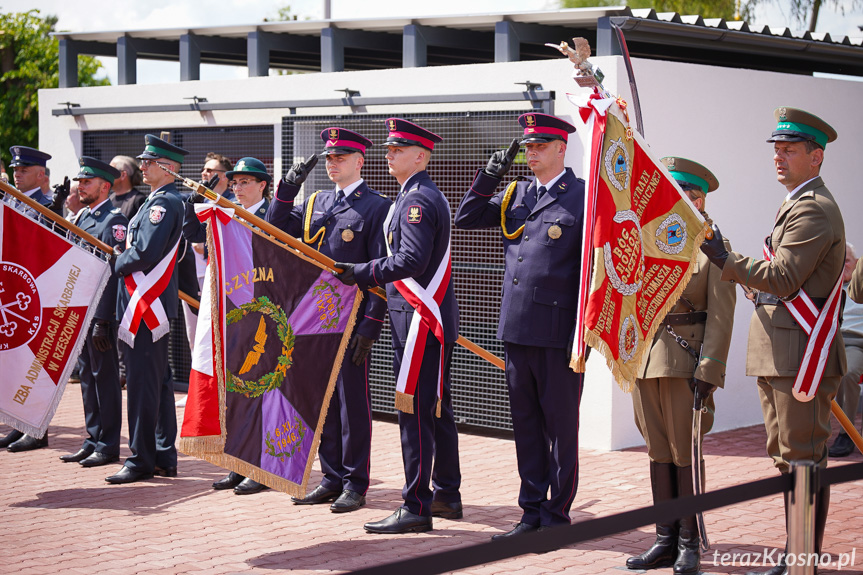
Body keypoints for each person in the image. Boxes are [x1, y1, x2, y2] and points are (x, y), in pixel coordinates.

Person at [701, 107, 844, 575]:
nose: (779, 158)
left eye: (790, 150)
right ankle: (795, 555)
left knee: (802, 458)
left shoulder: (815, 208)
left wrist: (725, 257)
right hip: (779, 350)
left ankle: (801, 560)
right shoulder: (796, 203)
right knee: (788, 458)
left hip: (798, 354)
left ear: (816, 157)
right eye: (777, 150)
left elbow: (783, 277)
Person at [454, 113, 584, 539]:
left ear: (561, 148)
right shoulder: (516, 192)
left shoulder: (582, 197)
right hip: (516, 329)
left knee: (561, 431)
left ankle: (557, 516)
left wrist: (579, 337)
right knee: (526, 427)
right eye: (527, 147)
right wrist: (491, 174)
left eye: (540, 146)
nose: (531, 153)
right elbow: (467, 217)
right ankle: (530, 513)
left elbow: (591, 273)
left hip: (558, 335)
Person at [335, 118, 461, 533]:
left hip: (419, 322)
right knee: (436, 410)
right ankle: (446, 494)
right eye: (388, 149)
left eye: (397, 150)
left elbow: (410, 262)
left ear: (420, 156)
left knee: (416, 413)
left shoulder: (416, 201)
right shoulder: (413, 195)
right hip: (420, 319)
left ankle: (416, 506)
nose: (388, 155)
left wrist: (360, 271)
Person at [267, 128, 390, 512]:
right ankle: (331, 476)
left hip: (352, 318)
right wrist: (288, 188)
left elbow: (380, 271)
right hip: (314, 319)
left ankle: (355, 482)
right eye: (330, 158)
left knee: (352, 405)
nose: (333, 163)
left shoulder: (376, 207)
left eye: (341, 157)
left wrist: (371, 325)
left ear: (360, 162)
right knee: (322, 403)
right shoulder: (317, 200)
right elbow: (274, 227)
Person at [626, 158, 736, 575]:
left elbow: (722, 315)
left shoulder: (713, 248)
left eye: (685, 196)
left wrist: (709, 368)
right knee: (657, 452)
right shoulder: (647, 239)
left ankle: (690, 542)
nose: (677, 203)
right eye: (670, 195)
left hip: (685, 360)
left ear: (700, 200)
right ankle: (664, 539)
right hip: (646, 358)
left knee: (685, 453)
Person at [105, 134, 188, 484]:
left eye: (149, 162)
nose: (142, 166)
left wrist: (114, 260)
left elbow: (145, 252)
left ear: (167, 168)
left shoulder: (164, 204)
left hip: (146, 306)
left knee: (143, 384)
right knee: (158, 383)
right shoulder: (159, 199)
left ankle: (141, 459)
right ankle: (162, 455)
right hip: (147, 303)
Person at [58, 157, 128, 468]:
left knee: (105, 377)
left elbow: (113, 272)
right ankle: (93, 437)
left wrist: (102, 319)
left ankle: (109, 444)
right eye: (80, 182)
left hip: (100, 314)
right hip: (80, 311)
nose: (80, 186)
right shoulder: (84, 217)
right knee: (87, 376)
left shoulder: (114, 222)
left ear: (104, 186)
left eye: (86, 182)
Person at [0, 146, 55, 451]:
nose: (17, 175)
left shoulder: (48, 206)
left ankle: (37, 429)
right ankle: (17, 424)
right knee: (15, 363)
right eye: (16, 170)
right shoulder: (10, 202)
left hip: (36, 297)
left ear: (40, 174)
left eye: (23, 171)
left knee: (36, 366)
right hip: (11, 292)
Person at [828, 244, 863, 457]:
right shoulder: (831, 288)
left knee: (848, 371)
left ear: (857, 263)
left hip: (858, 340)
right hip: (841, 341)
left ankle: (850, 434)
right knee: (846, 372)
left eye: (847, 261)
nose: (843, 266)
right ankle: (844, 433)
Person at [109, 155, 147, 220]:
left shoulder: (138, 200)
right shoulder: (110, 199)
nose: (108, 175)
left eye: (111, 171)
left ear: (123, 175)